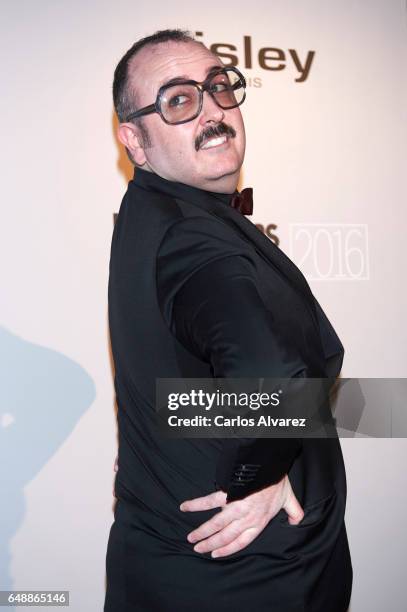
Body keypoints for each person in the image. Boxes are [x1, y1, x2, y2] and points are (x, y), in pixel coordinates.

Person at [105, 29, 352, 612]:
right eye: (179, 100)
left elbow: (188, 389)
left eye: (219, 88)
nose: (214, 111)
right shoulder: (194, 235)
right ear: (134, 141)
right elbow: (278, 381)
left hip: (173, 567)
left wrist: (164, 421)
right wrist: (256, 473)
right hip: (246, 581)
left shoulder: (154, 214)